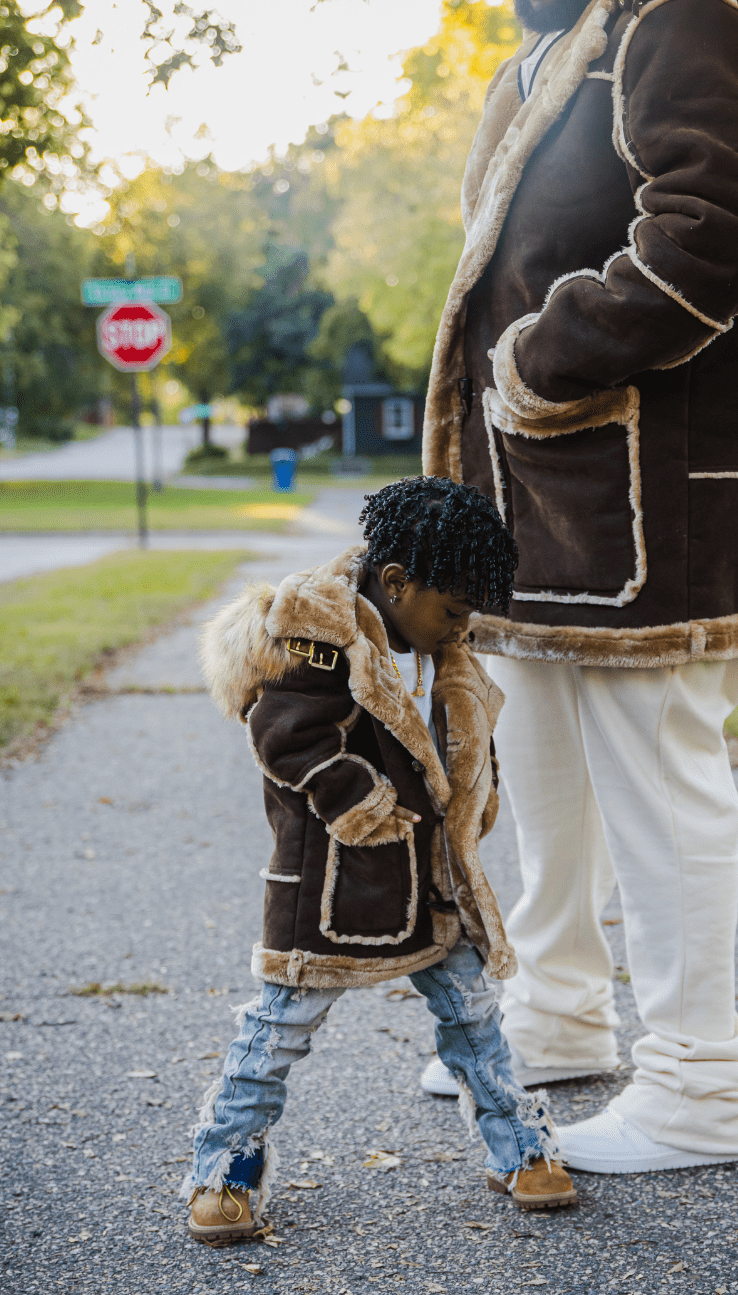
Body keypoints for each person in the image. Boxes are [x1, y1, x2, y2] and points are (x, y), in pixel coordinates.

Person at [420, 0, 738, 1173]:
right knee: (543, 736)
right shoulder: (560, 54)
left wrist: (544, 351)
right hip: (564, 495)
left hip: (658, 498)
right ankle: (555, 1012)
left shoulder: (685, 15)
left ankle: (704, 1088)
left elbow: (721, 231)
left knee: (656, 768)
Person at [183, 477, 576, 1244]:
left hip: (431, 877)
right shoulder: (319, 632)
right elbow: (284, 731)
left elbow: (458, 736)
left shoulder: (438, 644)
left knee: (473, 1017)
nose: (462, 625)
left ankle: (520, 1146)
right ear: (396, 583)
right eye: (455, 608)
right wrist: (360, 802)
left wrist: (475, 797)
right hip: (335, 879)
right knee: (278, 1028)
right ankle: (224, 1164)